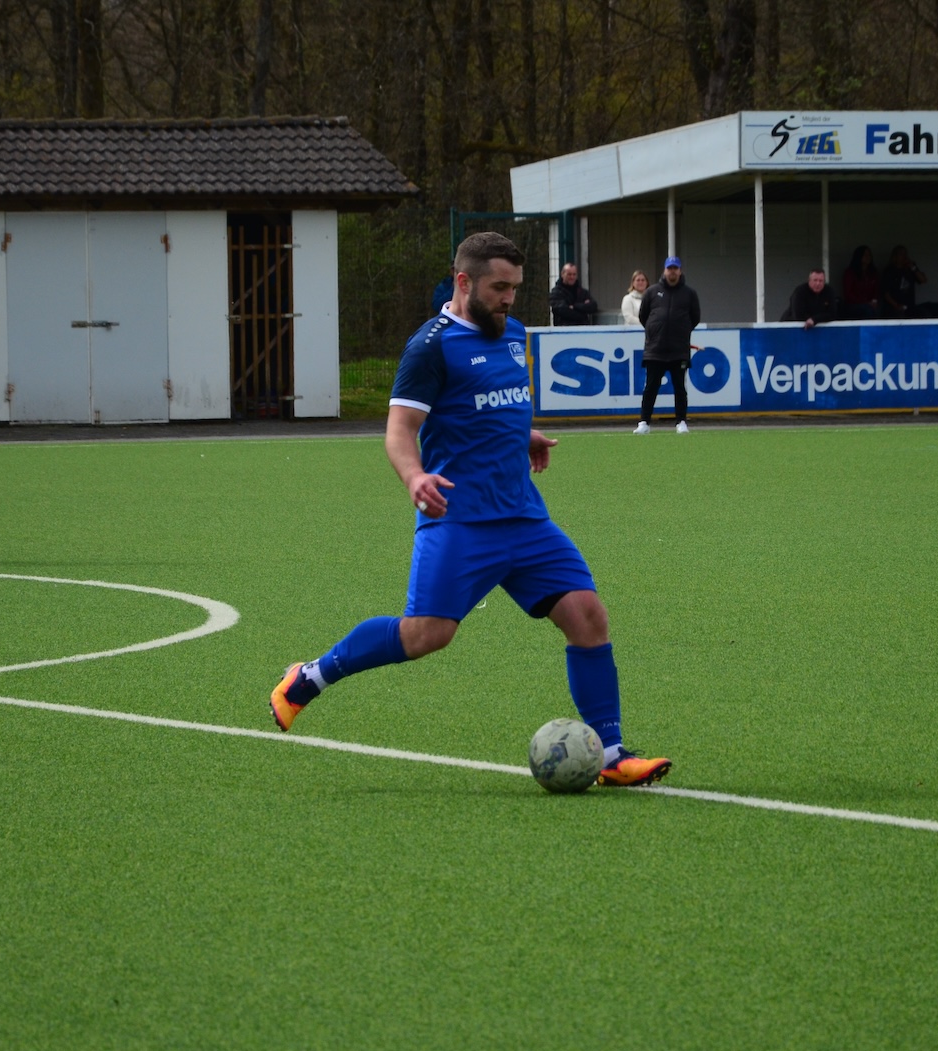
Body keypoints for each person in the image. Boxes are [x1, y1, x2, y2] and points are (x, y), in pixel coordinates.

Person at [268, 231, 670, 788]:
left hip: (524, 517)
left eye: (515, 287)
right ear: (464, 281)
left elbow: (491, 405)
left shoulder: (514, 333)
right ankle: (309, 677)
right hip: (459, 520)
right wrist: (414, 476)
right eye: (499, 287)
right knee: (426, 635)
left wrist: (523, 435)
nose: (509, 298)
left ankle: (612, 754)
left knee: (588, 616)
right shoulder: (430, 347)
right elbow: (399, 430)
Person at [634, 255, 701, 434]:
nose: (672, 272)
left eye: (675, 269)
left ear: (680, 271)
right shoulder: (652, 292)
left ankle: (681, 422)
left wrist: (681, 332)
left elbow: (695, 318)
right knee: (651, 387)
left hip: (679, 349)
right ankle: (644, 422)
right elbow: (643, 316)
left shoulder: (689, 293)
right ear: (664, 270)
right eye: (669, 268)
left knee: (680, 387)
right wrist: (655, 331)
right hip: (655, 349)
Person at [880, 246, 928, 317]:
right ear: (895, 256)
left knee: (924, 314)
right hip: (893, 308)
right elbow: (885, 293)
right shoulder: (889, 271)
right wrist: (896, 305)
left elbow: (923, 280)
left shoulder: (910, 269)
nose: (904, 256)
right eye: (901, 254)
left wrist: (913, 267)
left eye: (905, 254)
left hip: (910, 307)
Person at [841, 245, 880, 318]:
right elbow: (848, 294)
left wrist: (874, 301)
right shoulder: (850, 273)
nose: (868, 257)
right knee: (867, 310)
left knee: (877, 309)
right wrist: (865, 302)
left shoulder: (873, 273)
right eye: (865, 255)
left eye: (869, 255)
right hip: (853, 305)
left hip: (869, 305)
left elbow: (876, 290)